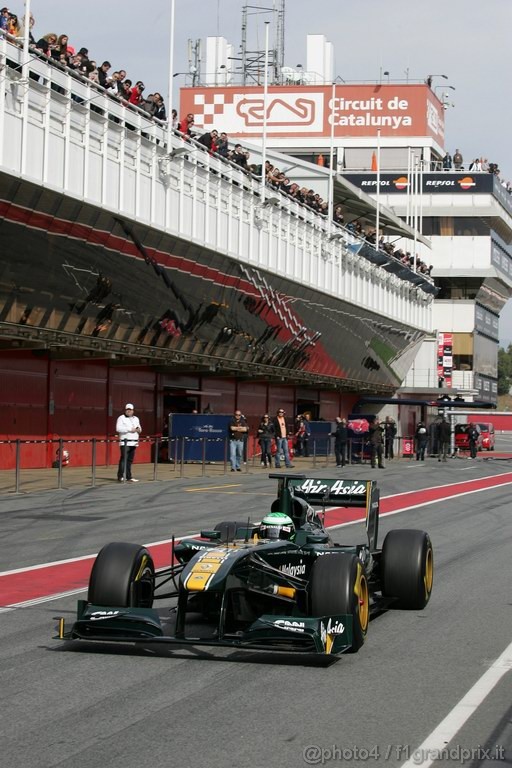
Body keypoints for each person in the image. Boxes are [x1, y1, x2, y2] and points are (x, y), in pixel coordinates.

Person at [116, 403, 142, 482]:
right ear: (125, 410)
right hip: (125, 442)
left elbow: (140, 429)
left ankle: (129, 476)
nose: (129, 411)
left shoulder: (136, 418)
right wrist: (130, 429)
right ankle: (120, 476)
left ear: (133, 411)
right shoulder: (121, 418)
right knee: (124, 459)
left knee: (130, 460)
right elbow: (118, 429)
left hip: (134, 442)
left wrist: (138, 430)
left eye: (130, 410)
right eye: (127, 410)